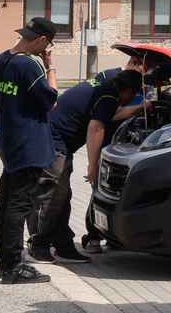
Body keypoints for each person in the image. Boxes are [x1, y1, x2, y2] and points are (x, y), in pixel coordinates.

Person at [32, 67, 144, 261]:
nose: (131, 99)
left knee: (62, 196)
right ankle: (39, 245)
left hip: (55, 139)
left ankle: (63, 245)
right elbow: (96, 128)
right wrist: (92, 165)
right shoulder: (109, 96)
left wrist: (141, 107)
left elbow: (111, 115)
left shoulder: (106, 87)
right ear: (127, 90)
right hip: (53, 141)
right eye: (134, 95)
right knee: (54, 196)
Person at [0, 16, 60, 283]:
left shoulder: (1, 60)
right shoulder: (29, 66)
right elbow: (51, 101)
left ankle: (5, 262)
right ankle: (14, 265)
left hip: (9, 140)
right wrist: (50, 69)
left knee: (7, 202)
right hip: (30, 143)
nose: (47, 49)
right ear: (42, 40)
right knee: (19, 204)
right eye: (48, 45)